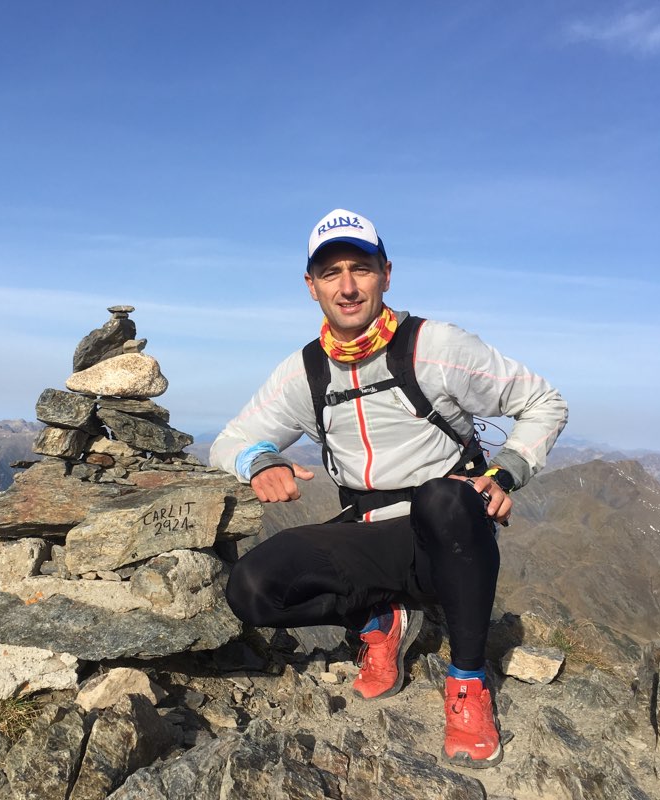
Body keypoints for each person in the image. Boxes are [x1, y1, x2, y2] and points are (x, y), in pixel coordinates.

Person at [209, 208, 568, 768]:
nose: (347, 287)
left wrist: (506, 472)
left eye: (361, 269)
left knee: (442, 497)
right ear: (311, 286)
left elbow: (543, 401)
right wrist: (260, 460)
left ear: (386, 274)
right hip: (369, 536)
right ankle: (380, 622)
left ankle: (467, 683)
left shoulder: (434, 345)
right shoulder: (306, 371)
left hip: (445, 535)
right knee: (252, 589)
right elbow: (231, 440)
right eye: (331, 273)